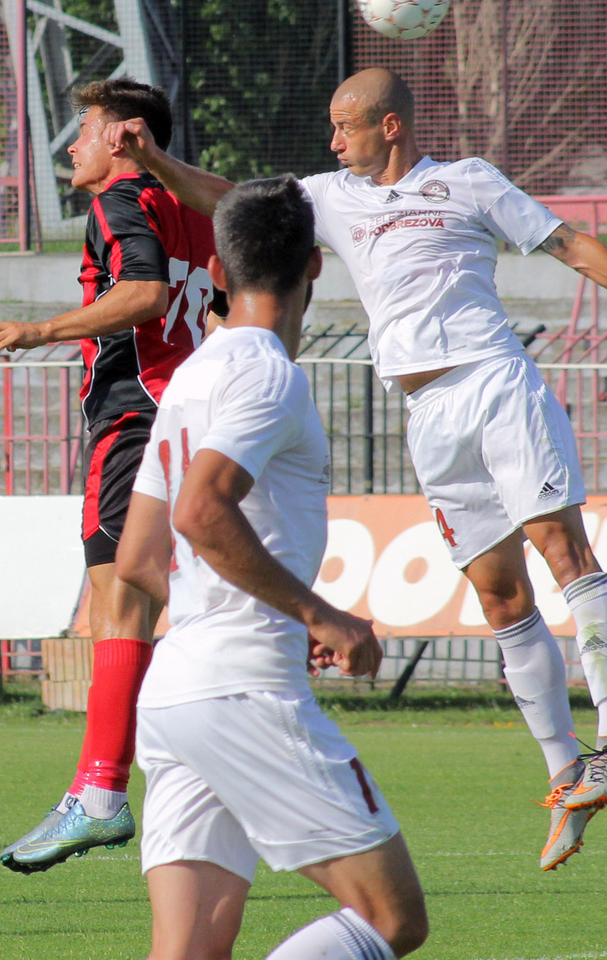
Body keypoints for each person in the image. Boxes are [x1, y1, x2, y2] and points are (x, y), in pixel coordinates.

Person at [109, 67, 607, 871]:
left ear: (389, 126)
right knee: (499, 592)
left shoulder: (468, 184)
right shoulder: (330, 196)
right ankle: (566, 770)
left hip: (495, 380)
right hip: (426, 412)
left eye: (345, 126)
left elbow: (569, 244)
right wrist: (157, 163)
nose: (333, 142)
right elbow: (237, 205)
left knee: (560, 548)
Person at [116, 176, 428, 959]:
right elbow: (201, 511)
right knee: (392, 921)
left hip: (177, 689)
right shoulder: (268, 372)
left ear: (217, 272)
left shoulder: (190, 377)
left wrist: (259, 607)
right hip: (244, 684)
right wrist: (316, 613)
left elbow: (139, 555)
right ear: (315, 268)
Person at [0, 78, 220, 873]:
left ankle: (102, 794)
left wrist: (37, 329)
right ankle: (117, 781)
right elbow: (217, 306)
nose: (71, 146)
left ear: (124, 138)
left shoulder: (120, 201)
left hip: (135, 417)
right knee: (152, 599)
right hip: (193, 412)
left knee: (120, 599)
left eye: (83, 129)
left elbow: (143, 293)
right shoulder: (200, 207)